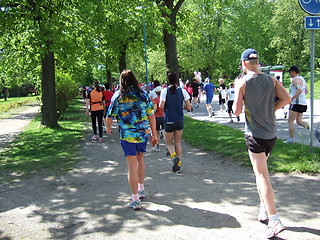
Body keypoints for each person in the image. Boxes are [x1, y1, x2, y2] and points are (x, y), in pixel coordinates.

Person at [233, 48, 291, 239]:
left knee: (261, 175)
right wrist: (270, 109)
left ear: (243, 63)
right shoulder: (271, 79)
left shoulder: (242, 82)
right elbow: (287, 98)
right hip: (270, 135)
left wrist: (240, 96)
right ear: (258, 63)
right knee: (262, 173)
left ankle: (274, 219)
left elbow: (236, 111)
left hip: (255, 135)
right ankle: (264, 208)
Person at [106, 69, 158, 210]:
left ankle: (135, 198)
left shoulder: (118, 96)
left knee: (131, 166)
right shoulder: (143, 95)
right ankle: (141, 188)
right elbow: (151, 115)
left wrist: (108, 128)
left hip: (127, 135)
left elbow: (109, 115)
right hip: (142, 134)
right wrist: (154, 134)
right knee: (140, 160)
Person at [160, 72, 191, 174]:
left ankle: (174, 156)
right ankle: (179, 166)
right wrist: (181, 107)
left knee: (169, 143)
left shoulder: (165, 91)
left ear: (168, 80)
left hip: (169, 120)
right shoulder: (183, 91)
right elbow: (189, 107)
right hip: (179, 120)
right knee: (177, 142)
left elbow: (161, 106)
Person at [284, 66, 309, 143]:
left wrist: (292, 98)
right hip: (302, 103)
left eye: (290, 73)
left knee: (290, 120)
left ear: (293, 72)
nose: (289, 74)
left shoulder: (295, 80)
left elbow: (300, 90)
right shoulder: (302, 79)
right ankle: (315, 130)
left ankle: (291, 139)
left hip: (296, 103)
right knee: (299, 121)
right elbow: (306, 91)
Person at [152, 86, 165, 151]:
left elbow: (155, 109)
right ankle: (167, 147)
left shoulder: (155, 100)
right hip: (163, 116)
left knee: (156, 133)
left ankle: (157, 146)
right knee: (165, 131)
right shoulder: (163, 99)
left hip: (156, 117)